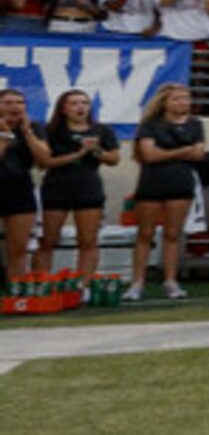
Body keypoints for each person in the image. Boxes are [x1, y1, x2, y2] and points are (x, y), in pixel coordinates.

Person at [30, 90, 120, 296]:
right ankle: (41, 284)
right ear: (63, 108)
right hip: (56, 188)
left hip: (88, 188)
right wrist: (78, 154)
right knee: (47, 241)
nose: (80, 107)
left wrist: (95, 151)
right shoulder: (51, 131)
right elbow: (44, 163)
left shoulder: (101, 130)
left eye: (85, 103)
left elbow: (114, 159)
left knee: (88, 241)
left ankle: (84, 287)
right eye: (74, 103)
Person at [124, 83, 207, 302]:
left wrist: (168, 152)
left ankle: (170, 280)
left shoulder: (195, 124)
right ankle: (137, 282)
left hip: (180, 183)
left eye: (185, 98)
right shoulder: (151, 125)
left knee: (173, 234)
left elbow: (199, 153)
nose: (183, 103)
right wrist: (182, 151)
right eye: (177, 99)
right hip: (152, 182)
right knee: (145, 234)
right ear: (165, 102)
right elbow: (149, 154)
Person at [0, 89, 39, 289]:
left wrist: (28, 132)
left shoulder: (32, 128)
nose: (15, 107)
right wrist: (4, 136)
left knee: (18, 248)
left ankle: (15, 291)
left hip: (19, 191)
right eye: (8, 102)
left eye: (20, 102)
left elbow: (44, 160)